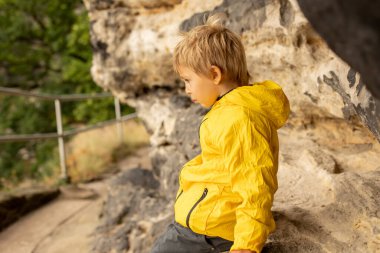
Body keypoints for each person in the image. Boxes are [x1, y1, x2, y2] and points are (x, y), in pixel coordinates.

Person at [150, 13, 290, 253]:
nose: (186, 89)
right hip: (204, 223)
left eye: (188, 80)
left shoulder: (238, 118)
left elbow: (255, 184)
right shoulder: (230, 109)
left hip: (208, 233)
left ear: (215, 75)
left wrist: (245, 246)